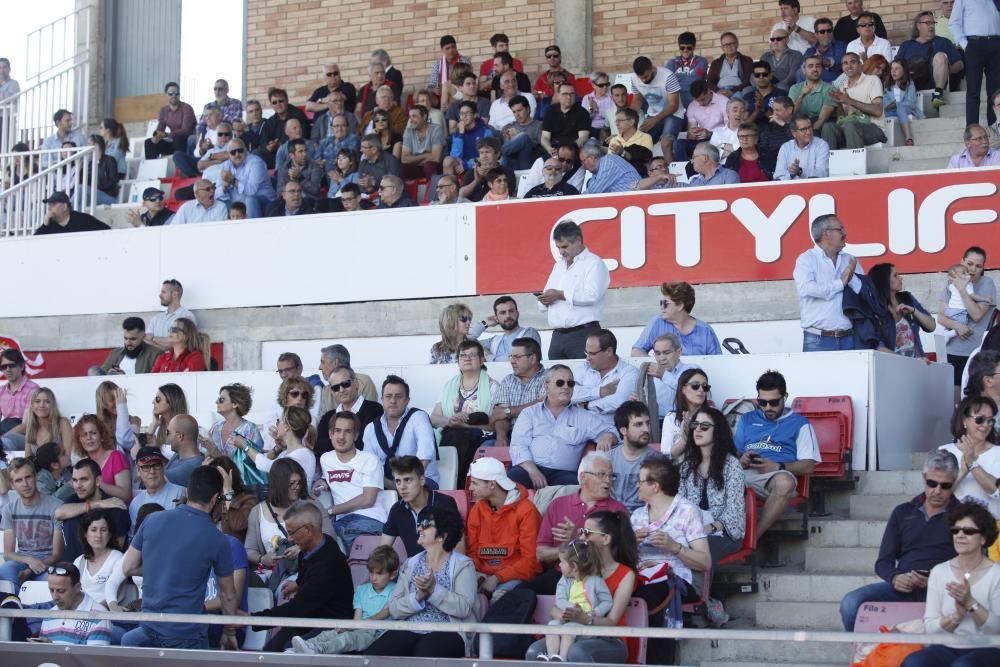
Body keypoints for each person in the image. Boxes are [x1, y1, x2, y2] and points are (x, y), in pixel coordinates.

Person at [839, 448, 961, 630]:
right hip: (904, 586)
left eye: (945, 486)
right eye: (932, 483)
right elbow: (883, 562)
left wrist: (936, 581)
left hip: (945, 590)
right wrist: (896, 577)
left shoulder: (963, 515)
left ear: (954, 483)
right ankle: (866, 654)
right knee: (851, 603)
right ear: (923, 478)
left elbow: (971, 567)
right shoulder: (903, 512)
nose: (937, 491)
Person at [121, 466, 240, 649]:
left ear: (187, 491)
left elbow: (128, 567)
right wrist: (229, 633)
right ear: (216, 498)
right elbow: (228, 595)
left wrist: (162, 567)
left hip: (147, 626)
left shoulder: (152, 520)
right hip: (186, 634)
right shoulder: (217, 539)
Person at [525, 510, 639, 663]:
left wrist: (584, 618)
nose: (581, 537)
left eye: (586, 532)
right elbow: (555, 607)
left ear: (605, 539)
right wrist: (565, 616)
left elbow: (612, 621)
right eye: (581, 532)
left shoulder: (625, 574)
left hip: (609, 638)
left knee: (577, 652)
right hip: (570, 631)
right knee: (535, 651)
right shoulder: (575, 566)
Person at [365, 506, 478, 658]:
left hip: (448, 630)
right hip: (410, 627)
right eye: (419, 523)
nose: (419, 528)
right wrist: (417, 597)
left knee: (424, 655)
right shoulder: (410, 564)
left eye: (426, 524)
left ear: (442, 536)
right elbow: (394, 607)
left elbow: (463, 608)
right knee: (375, 654)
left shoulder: (463, 565)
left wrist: (433, 590)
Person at [900, 501, 1000, 666]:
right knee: (914, 662)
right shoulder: (939, 572)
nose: (959, 535)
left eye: (968, 531)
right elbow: (930, 627)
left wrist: (971, 604)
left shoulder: (996, 573)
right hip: (946, 646)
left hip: (988, 648)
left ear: (983, 538)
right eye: (955, 530)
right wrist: (956, 617)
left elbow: (997, 630)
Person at [248, 501, 353, 652]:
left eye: (291, 533)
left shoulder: (327, 565)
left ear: (308, 530)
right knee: (271, 650)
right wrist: (299, 583)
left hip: (330, 624)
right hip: (311, 617)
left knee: (284, 652)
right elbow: (308, 567)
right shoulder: (318, 544)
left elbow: (296, 610)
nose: (289, 539)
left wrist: (251, 619)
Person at [734, 370, 821, 539]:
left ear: (785, 396)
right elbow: (734, 453)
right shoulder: (747, 419)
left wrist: (778, 466)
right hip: (743, 473)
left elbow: (809, 466)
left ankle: (752, 539)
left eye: (774, 402)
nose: (768, 408)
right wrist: (741, 459)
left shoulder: (800, 424)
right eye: (762, 402)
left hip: (774, 476)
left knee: (785, 483)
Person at [630, 457, 712, 630]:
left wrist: (675, 547)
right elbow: (622, 559)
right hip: (640, 577)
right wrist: (629, 544)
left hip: (677, 580)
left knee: (646, 593)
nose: (637, 485)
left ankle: (651, 651)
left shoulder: (687, 511)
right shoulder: (637, 515)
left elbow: (705, 562)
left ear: (655, 486)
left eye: (641, 481)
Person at [509, 365, 618, 489]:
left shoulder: (584, 417)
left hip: (563, 474)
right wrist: (533, 471)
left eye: (570, 383)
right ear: (546, 386)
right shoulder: (529, 413)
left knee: (579, 488)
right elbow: (518, 446)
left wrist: (608, 436)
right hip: (530, 469)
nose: (566, 387)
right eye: (560, 383)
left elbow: (612, 431)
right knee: (512, 480)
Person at [534, 452, 627, 590]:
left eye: (610, 475)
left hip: (598, 577)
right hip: (562, 575)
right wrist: (567, 547)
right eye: (602, 474)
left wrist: (576, 540)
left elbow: (621, 555)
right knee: (522, 592)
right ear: (583, 477)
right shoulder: (557, 505)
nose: (608, 480)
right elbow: (541, 554)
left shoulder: (617, 510)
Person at [289, 544, 398, 655]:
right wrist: (346, 627)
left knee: (347, 638)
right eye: (371, 572)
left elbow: (386, 611)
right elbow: (357, 618)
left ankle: (320, 649)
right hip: (361, 628)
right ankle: (306, 646)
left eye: (379, 574)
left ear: (393, 575)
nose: (373, 578)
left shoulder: (396, 590)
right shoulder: (362, 590)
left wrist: (367, 622)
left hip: (376, 634)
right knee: (332, 632)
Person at [244, 458, 332, 590]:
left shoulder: (312, 506)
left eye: (299, 483)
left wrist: (301, 548)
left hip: (303, 571)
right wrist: (262, 558)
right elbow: (249, 550)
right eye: (292, 484)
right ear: (279, 484)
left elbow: (330, 536)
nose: (297, 487)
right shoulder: (258, 512)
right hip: (270, 573)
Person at [677, 406, 746, 563]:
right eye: (695, 425)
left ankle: (699, 588)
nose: (698, 430)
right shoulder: (686, 466)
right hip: (691, 532)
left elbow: (734, 514)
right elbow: (679, 505)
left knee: (699, 549)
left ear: (717, 431)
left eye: (705, 426)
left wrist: (708, 528)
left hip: (725, 533)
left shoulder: (731, 465)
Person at [467, 456, 542, 599]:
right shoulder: (476, 511)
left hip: (513, 578)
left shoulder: (527, 511)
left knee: (500, 599)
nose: (470, 488)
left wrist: (497, 578)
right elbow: (472, 552)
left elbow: (531, 562)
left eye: (475, 483)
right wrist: (476, 573)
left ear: (492, 485)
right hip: (482, 575)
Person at [539, 221, 610, 360]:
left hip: (584, 334)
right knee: (555, 379)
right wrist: (545, 299)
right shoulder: (558, 265)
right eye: (558, 247)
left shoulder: (594, 263)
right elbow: (548, 292)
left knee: (584, 378)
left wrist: (560, 295)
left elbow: (592, 296)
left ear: (577, 241)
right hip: (558, 335)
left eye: (564, 246)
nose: (561, 251)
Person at [317, 411, 386, 551]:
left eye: (347, 432)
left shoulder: (369, 459)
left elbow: (368, 499)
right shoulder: (326, 459)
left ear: (355, 435)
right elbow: (332, 479)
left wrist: (330, 511)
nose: (341, 436)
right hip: (342, 523)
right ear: (330, 434)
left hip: (369, 519)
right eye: (337, 431)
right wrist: (322, 482)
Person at [794, 214, 863, 352]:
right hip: (818, 340)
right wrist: (840, 283)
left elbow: (863, 292)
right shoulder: (806, 259)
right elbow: (807, 289)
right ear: (826, 234)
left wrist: (851, 278)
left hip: (849, 338)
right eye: (840, 229)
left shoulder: (850, 260)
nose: (845, 233)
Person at [431, 340, 496, 485]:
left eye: (472, 355)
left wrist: (465, 426)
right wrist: (450, 421)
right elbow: (434, 418)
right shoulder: (448, 386)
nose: (467, 358)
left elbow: (494, 424)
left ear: (481, 360)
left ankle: (455, 484)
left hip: (479, 435)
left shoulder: (493, 387)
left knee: (461, 436)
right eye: (463, 355)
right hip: (451, 432)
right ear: (458, 361)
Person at [542, 540, 613, 662]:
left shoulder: (596, 581)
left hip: (587, 625)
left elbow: (607, 601)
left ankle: (562, 659)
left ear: (574, 566)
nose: (559, 565)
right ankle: (552, 657)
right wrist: (570, 609)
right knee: (552, 626)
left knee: (569, 629)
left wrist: (594, 613)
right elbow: (560, 599)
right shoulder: (564, 580)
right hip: (568, 618)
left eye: (562, 562)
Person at [0, 458, 64, 589]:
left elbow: (57, 554)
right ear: (12, 484)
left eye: (28, 477)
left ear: (35, 477)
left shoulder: (56, 506)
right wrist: (29, 561)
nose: (25, 484)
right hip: (22, 562)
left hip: (49, 564)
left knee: (52, 582)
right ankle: (13, 604)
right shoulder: (9, 509)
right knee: (6, 569)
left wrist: (33, 568)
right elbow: (8, 554)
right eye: (18, 480)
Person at [938, 247, 996, 389]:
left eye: (978, 266)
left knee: (973, 400)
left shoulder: (986, 283)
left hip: (975, 352)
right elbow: (941, 317)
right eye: (969, 264)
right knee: (952, 401)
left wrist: (962, 289)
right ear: (962, 261)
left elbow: (976, 315)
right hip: (951, 350)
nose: (973, 269)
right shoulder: (951, 283)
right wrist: (957, 326)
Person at [381, 456, 459, 557]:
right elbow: (382, 550)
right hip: (413, 569)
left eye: (408, 480)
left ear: (422, 480)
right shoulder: (397, 509)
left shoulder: (444, 503)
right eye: (398, 481)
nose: (402, 487)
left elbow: (458, 545)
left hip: (445, 568)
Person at [55, 459, 130, 562]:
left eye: (84, 479)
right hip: (70, 571)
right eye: (75, 480)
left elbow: (116, 551)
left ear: (98, 481)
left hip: (100, 573)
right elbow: (59, 513)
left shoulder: (116, 507)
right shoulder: (74, 499)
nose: (78, 485)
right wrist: (97, 504)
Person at [938, 397, 1000, 517]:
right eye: (980, 419)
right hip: (953, 528)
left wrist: (973, 464)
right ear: (964, 420)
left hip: (991, 529)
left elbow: (995, 491)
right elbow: (939, 494)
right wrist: (963, 471)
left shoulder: (998, 453)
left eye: (990, 421)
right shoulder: (945, 451)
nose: (986, 425)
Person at [631, 281, 722, 360]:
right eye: (661, 303)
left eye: (665, 303)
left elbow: (718, 361)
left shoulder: (705, 330)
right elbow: (636, 352)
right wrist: (658, 366)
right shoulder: (657, 323)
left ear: (680, 306)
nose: (661, 307)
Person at [205, 382, 267, 496]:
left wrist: (216, 453)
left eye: (221, 399)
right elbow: (208, 457)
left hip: (243, 490)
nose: (217, 402)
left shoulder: (250, 430)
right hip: (216, 487)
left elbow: (251, 465)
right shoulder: (215, 428)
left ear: (234, 404)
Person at [32, 562, 113, 645]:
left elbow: (94, 657)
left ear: (77, 587)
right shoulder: (49, 615)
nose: (55, 596)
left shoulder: (99, 616)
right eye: (51, 590)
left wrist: (54, 648)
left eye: (61, 591)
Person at [573, 329, 639, 428]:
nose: (587, 358)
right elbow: (570, 394)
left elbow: (618, 402)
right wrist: (600, 392)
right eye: (586, 353)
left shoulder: (629, 372)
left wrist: (586, 405)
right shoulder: (582, 369)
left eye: (592, 354)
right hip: (579, 430)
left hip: (611, 431)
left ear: (609, 351)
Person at [868, 263, 937, 357]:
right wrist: (904, 362)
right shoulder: (874, 307)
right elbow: (876, 345)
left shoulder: (907, 298)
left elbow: (931, 326)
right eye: (895, 275)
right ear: (884, 280)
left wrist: (914, 311)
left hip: (917, 361)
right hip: (890, 365)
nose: (901, 278)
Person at [897, 11, 963, 108]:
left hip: (934, 82)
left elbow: (960, 64)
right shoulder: (906, 46)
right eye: (928, 23)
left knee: (940, 56)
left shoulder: (943, 42)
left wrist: (944, 69)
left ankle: (937, 95)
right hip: (911, 84)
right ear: (918, 26)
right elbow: (896, 66)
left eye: (933, 23)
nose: (931, 26)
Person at [950, 0, 1000, 127]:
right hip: (974, 43)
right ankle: (972, 129)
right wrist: (966, 46)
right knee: (973, 90)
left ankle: (994, 128)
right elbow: (954, 23)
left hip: (995, 43)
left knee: (996, 91)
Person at [822, 52, 888, 149]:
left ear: (860, 64)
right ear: (842, 67)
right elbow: (843, 118)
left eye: (853, 62)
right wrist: (839, 104)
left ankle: (855, 163)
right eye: (845, 63)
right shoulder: (841, 88)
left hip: (874, 128)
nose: (849, 66)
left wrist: (850, 101)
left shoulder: (872, 80)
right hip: (850, 129)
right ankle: (830, 163)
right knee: (828, 127)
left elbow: (877, 111)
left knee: (851, 126)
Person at [491, 337, 546, 448]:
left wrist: (509, 411)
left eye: (517, 357)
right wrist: (501, 437)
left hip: (539, 437)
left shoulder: (549, 377)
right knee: (487, 448)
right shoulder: (508, 380)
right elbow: (499, 415)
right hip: (511, 435)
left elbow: (543, 406)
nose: (512, 361)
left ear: (532, 358)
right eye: (511, 356)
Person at [610, 402, 662, 513]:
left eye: (647, 423)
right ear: (623, 430)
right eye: (638, 424)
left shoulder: (658, 461)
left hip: (642, 521)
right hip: (610, 520)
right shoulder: (607, 458)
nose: (646, 429)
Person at [315, 367, 377, 458]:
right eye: (336, 387)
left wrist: (337, 444)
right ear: (332, 392)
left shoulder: (375, 409)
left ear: (356, 383)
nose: (341, 390)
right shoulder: (328, 417)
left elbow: (367, 444)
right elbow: (320, 446)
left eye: (345, 384)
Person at [629, 56, 682, 161]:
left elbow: (673, 105)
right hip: (653, 115)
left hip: (673, 114)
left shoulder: (668, 76)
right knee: (640, 141)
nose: (643, 80)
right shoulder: (634, 79)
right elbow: (637, 101)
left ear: (652, 68)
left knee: (666, 143)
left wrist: (655, 119)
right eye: (641, 78)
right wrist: (629, 119)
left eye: (646, 76)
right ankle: (646, 172)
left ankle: (671, 173)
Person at [71, 509, 126, 610]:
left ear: (110, 534)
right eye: (93, 530)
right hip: (80, 613)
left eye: (103, 530)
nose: (98, 535)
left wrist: (92, 609)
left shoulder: (118, 558)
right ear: (85, 534)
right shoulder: (79, 561)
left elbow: (117, 594)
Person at [73, 415, 131, 503]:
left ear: (102, 436)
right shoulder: (83, 464)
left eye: (93, 433)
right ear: (80, 440)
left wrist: (96, 483)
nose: (89, 438)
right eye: (84, 434)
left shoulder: (116, 457)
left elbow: (125, 494)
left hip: (115, 512)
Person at [468, 296, 541, 362]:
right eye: (503, 313)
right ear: (496, 317)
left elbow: (520, 359)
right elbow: (465, 342)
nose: (508, 315)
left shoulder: (529, 333)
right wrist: (484, 324)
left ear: (517, 313)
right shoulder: (494, 341)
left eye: (511, 311)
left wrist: (488, 357)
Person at [661, 368, 713, 458]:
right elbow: (667, 455)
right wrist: (685, 438)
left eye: (705, 387)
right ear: (683, 389)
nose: (701, 390)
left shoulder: (713, 415)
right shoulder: (671, 418)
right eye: (695, 386)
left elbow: (719, 450)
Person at [11, 387, 73, 458]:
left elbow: (67, 457)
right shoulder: (31, 426)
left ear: (53, 405)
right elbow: (28, 457)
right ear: (32, 405)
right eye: (37, 401)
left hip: (59, 468)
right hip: (35, 468)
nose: (42, 405)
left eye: (47, 402)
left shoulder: (63, 423)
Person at [128, 447, 185, 524]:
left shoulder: (181, 494)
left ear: (163, 467)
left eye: (156, 465)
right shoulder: (135, 503)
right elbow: (134, 535)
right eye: (146, 467)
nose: (152, 471)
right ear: (138, 470)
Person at [317, 344, 377, 414]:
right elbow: (323, 421)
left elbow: (371, 414)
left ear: (335, 363)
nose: (320, 367)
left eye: (323, 362)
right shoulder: (326, 390)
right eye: (335, 388)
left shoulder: (364, 382)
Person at [144, 83, 196, 159]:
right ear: (166, 94)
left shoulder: (186, 108)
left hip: (186, 142)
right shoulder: (164, 110)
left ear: (179, 95)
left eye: (176, 94)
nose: (174, 96)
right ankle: (151, 168)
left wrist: (167, 135)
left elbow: (186, 130)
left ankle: (179, 169)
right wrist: (156, 136)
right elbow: (160, 130)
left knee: (179, 138)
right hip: (173, 142)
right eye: (170, 94)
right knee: (149, 142)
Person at [775, 113, 831, 179]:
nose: (808, 132)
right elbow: (778, 175)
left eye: (809, 127)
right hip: (791, 188)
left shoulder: (821, 145)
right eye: (803, 129)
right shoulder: (785, 148)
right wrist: (792, 174)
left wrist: (800, 171)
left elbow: (823, 173)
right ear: (794, 133)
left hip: (813, 187)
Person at [883, 59, 923, 147]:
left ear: (904, 71)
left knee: (900, 106)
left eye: (897, 68)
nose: (893, 71)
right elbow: (885, 102)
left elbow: (911, 103)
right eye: (892, 68)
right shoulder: (887, 85)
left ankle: (908, 137)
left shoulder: (909, 83)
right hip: (892, 110)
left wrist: (897, 105)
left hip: (907, 109)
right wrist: (891, 105)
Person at [34, 191, 110, 235]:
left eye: (53, 204)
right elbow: (34, 242)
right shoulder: (49, 225)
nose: (49, 208)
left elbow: (107, 230)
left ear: (64, 207)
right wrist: (44, 225)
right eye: (49, 205)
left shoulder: (82, 219)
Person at [401, 104, 444, 180]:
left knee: (429, 166)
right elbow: (404, 159)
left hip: (433, 166)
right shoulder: (408, 131)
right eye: (410, 117)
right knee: (402, 168)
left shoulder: (436, 129)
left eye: (414, 116)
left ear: (424, 117)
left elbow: (435, 158)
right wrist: (425, 156)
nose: (410, 120)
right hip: (417, 167)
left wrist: (413, 160)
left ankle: (432, 190)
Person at [607, 108, 654, 174]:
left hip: (638, 176)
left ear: (632, 122)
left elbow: (645, 161)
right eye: (616, 121)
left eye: (620, 121)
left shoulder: (645, 137)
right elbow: (610, 163)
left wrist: (623, 153)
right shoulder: (614, 140)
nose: (617, 124)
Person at [706, 32, 755, 96]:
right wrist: (718, 90)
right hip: (720, 91)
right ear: (722, 48)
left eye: (732, 43)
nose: (729, 47)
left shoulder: (746, 60)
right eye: (726, 45)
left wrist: (732, 91)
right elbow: (709, 83)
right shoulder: (715, 63)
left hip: (739, 91)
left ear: (737, 44)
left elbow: (748, 82)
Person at [164, 414, 204, 487]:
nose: (166, 436)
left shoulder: (192, 467)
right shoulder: (177, 455)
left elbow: (155, 480)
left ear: (180, 436)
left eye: (168, 432)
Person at [803, 17, 847, 83]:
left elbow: (841, 63)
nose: (826, 34)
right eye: (822, 32)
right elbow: (802, 68)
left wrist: (824, 61)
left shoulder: (841, 46)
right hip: (812, 86)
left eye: (829, 31)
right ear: (816, 35)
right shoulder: (810, 51)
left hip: (833, 84)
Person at [581, 70, 615, 143]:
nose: (605, 87)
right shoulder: (587, 98)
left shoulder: (612, 97)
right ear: (593, 85)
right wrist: (592, 109)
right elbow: (584, 119)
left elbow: (612, 116)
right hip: (591, 129)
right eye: (601, 85)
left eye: (607, 84)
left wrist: (598, 109)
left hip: (608, 128)